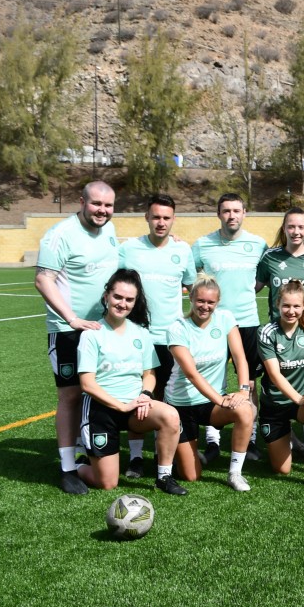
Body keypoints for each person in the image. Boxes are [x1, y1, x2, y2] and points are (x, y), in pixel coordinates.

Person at [34, 181, 120, 494]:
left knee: (95, 393)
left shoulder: (110, 231)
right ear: (81, 201)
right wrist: (72, 318)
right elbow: (43, 280)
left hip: (100, 330)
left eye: (108, 205)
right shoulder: (60, 235)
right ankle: (68, 468)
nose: (103, 211)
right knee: (70, 396)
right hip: (68, 331)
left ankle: (86, 451)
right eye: (97, 204)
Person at [76, 269, 186, 495]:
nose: (122, 303)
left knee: (170, 415)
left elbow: (149, 373)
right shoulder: (92, 334)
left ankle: (164, 477)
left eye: (129, 299)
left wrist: (146, 394)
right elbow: (87, 384)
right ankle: (75, 466)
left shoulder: (141, 333)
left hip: (135, 407)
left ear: (135, 303)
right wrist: (120, 405)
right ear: (106, 296)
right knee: (107, 483)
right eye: (118, 297)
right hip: (102, 410)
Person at [117, 194, 197, 478]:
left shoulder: (183, 250)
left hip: (171, 338)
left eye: (166, 217)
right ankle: (136, 458)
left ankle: (167, 456)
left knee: (168, 397)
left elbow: (194, 289)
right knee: (140, 398)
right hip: (138, 337)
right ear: (146, 218)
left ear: (173, 219)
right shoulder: (129, 249)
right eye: (156, 217)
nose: (161, 222)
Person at [191, 193, 268, 464]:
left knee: (250, 383)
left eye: (236, 210)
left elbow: (261, 279)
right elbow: (191, 277)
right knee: (213, 379)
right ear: (218, 214)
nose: (231, 215)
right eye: (226, 211)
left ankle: (252, 438)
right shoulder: (202, 245)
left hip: (247, 322)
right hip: (212, 324)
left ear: (244, 213)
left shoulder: (258, 244)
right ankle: (213, 440)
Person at [164, 276, 257, 491]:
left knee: (246, 410)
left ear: (217, 302)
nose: (205, 306)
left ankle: (235, 473)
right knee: (190, 475)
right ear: (191, 299)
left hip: (210, 403)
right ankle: (176, 448)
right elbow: (192, 374)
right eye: (200, 301)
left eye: (210, 302)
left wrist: (243, 391)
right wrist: (221, 401)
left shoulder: (225, 318)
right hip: (181, 406)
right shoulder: (178, 328)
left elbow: (240, 357)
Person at [256, 206, 304, 457]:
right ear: (284, 229)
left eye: (301, 227)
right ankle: (284, 435)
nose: (296, 231)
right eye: (291, 226)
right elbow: (254, 286)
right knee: (278, 381)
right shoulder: (270, 257)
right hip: (278, 335)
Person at [257, 281, 304, 491]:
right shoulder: (267, 332)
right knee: (282, 469)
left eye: (296, 306)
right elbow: (274, 373)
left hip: (302, 404)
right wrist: (298, 398)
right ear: (278, 304)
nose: (291, 311)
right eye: (286, 306)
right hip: (275, 405)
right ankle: (289, 435)